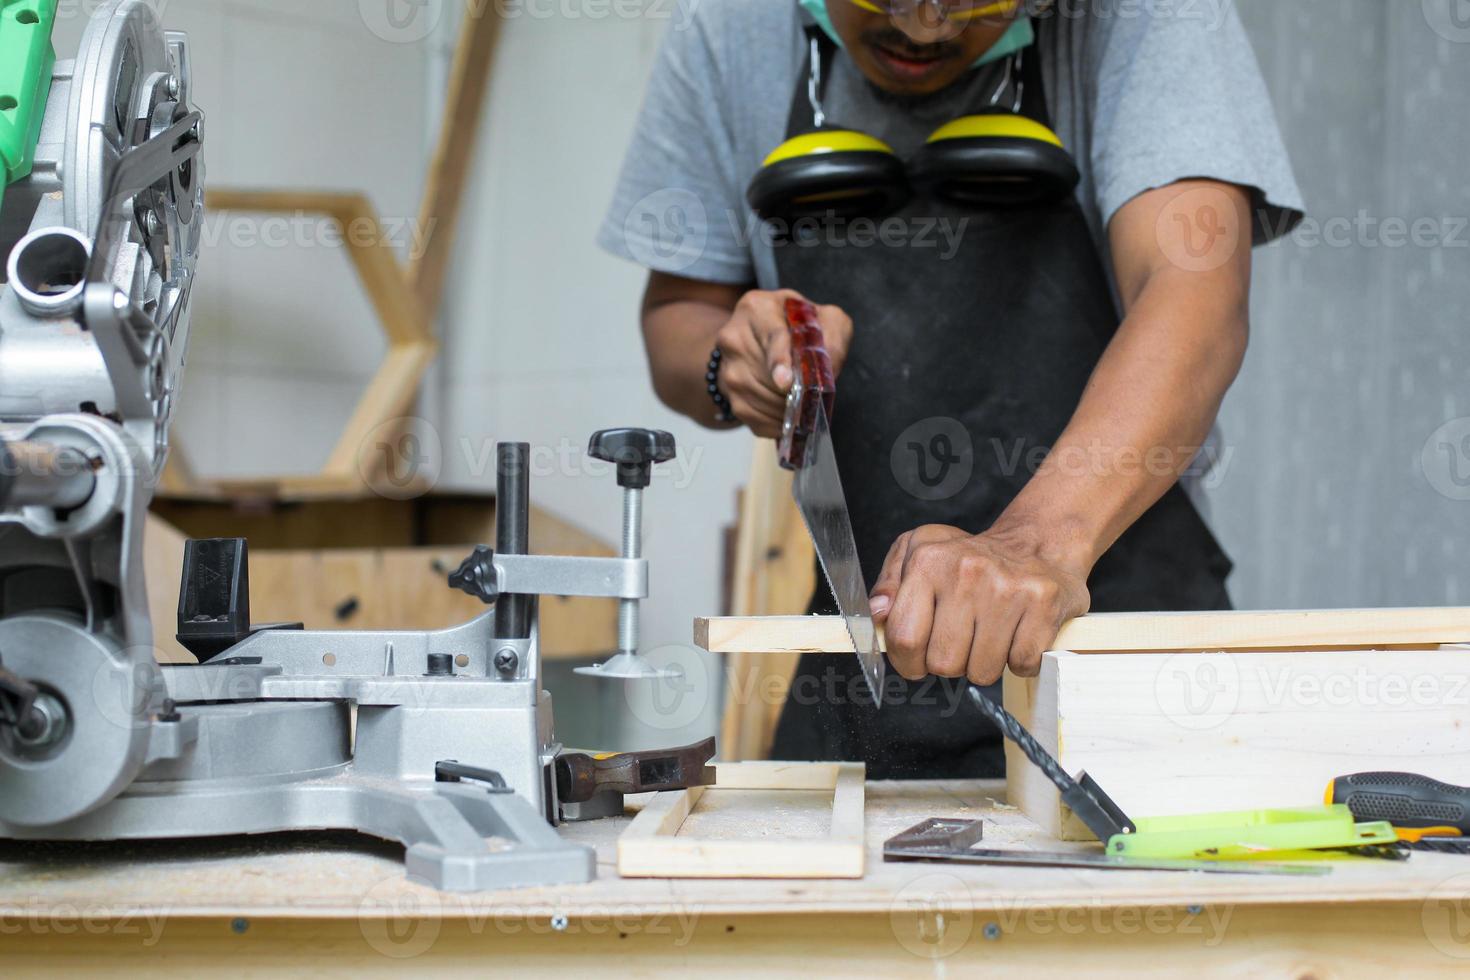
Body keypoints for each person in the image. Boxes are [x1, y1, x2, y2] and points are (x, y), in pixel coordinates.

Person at [599, 0, 1302, 777]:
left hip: (1122, 650)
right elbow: (679, 312)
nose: (926, 28)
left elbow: (1193, 293)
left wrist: (1035, 546)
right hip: (872, 647)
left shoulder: (1147, 15)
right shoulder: (724, 29)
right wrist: (732, 363)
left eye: (981, 6)